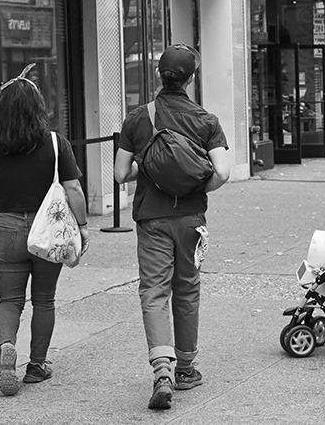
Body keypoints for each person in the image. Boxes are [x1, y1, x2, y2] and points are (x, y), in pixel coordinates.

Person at [114, 44, 230, 410]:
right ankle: (187, 368)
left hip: (151, 218)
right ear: (191, 78)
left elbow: (120, 174)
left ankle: (161, 369)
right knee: (187, 290)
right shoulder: (206, 120)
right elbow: (222, 173)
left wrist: (147, 168)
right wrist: (196, 186)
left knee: (153, 292)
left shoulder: (138, 118)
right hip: (191, 219)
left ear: (159, 76)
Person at [0, 67, 90, 397]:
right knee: (44, 300)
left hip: (7, 228)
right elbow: (73, 189)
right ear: (39, 106)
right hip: (49, 229)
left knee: (9, 300)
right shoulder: (56, 143)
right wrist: (82, 227)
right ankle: (37, 365)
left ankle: (6, 347)